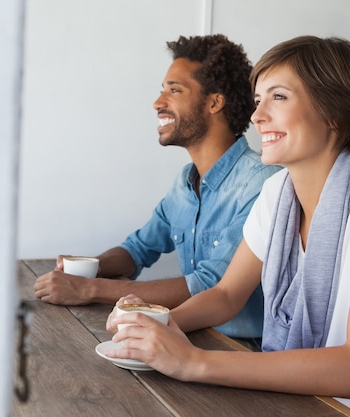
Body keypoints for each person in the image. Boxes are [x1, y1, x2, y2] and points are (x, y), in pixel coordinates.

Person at [105, 35, 350, 417]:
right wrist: (157, 324)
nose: (257, 115)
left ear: (334, 112)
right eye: (257, 100)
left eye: (278, 97)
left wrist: (193, 361)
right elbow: (227, 294)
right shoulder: (277, 192)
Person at [34, 34, 282, 340]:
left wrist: (90, 289)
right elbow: (138, 249)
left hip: (241, 352)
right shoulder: (185, 182)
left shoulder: (262, 182)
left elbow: (211, 285)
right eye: (162, 90)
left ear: (215, 102)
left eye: (174, 90)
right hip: (186, 336)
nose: (158, 103)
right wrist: (88, 267)